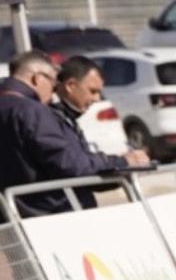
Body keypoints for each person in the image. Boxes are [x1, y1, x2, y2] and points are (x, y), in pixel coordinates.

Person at [0, 50, 146, 214]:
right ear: (36, 78)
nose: (53, 91)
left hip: (12, 220)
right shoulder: (34, 111)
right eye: (53, 84)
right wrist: (122, 162)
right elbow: (70, 164)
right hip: (54, 217)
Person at [52, 55, 149, 171]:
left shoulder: (67, 117)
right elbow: (75, 165)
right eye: (92, 91)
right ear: (71, 86)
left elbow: (86, 163)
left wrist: (123, 166)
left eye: (99, 92)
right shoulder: (49, 118)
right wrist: (123, 161)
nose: (97, 99)